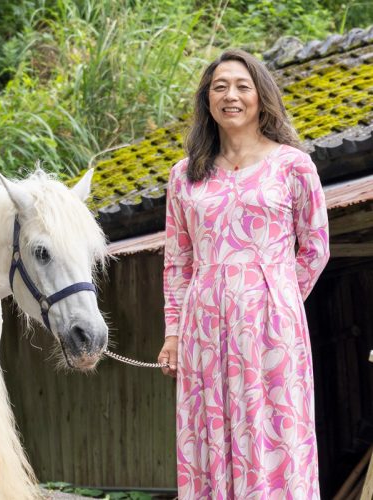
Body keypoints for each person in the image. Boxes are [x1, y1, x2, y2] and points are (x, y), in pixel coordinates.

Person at [157, 49, 330, 499]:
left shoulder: (293, 165)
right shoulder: (183, 177)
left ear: (260, 97)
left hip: (272, 329)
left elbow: (314, 247)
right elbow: (178, 262)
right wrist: (174, 333)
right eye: (219, 87)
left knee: (274, 428)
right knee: (209, 432)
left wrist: (277, 298)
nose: (230, 95)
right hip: (203, 329)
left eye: (241, 86)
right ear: (207, 101)